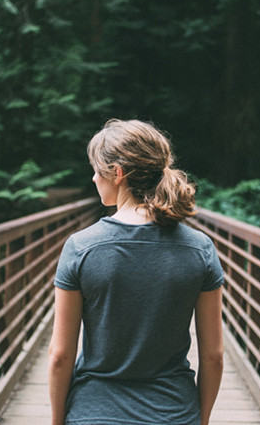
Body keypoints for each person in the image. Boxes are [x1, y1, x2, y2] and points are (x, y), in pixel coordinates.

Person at [48, 119, 225, 425]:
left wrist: (56, 421)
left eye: (96, 169)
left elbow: (60, 355)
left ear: (116, 173)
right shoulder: (199, 249)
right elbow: (214, 356)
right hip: (174, 413)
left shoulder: (81, 247)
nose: (93, 178)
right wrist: (201, 419)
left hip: (95, 414)